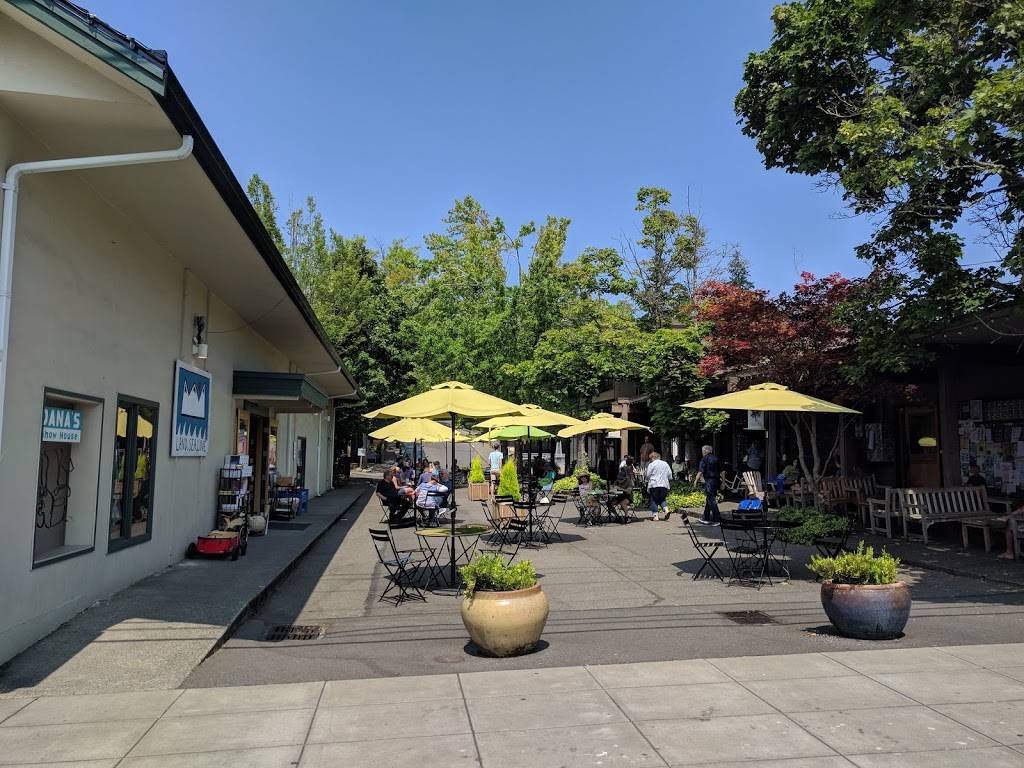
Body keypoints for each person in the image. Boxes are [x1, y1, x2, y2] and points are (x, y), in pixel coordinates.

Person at [696, 445, 721, 525]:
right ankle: (706, 517)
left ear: (705, 451)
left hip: (709, 480)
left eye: (702, 451)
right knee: (709, 499)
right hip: (716, 480)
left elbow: (700, 471)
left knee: (711, 500)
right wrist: (723, 482)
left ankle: (717, 519)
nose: (702, 452)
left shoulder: (704, 459)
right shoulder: (716, 458)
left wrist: (696, 480)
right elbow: (722, 471)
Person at [645, 451, 672, 521]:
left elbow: (648, 475)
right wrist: (668, 478)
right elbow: (669, 474)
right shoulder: (665, 463)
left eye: (650, 458)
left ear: (653, 458)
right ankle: (666, 510)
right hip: (664, 484)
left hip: (654, 484)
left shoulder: (651, 464)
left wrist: (646, 480)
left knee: (653, 500)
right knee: (662, 499)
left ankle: (656, 516)